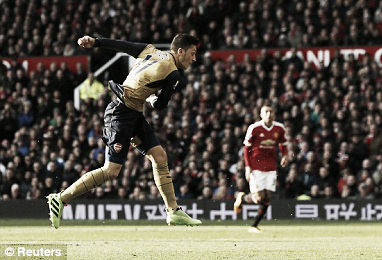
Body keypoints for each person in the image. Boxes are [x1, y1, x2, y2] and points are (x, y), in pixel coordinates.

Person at [46, 34, 202, 228]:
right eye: (192, 53)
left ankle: (173, 211)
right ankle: (60, 199)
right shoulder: (173, 73)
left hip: (131, 112)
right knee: (111, 171)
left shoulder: (150, 50)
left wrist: (96, 42)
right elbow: (161, 105)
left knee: (159, 157)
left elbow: (124, 45)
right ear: (180, 51)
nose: (194, 58)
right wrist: (152, 98)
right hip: (120, 114)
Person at [234, 105, 289, 233]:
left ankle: (254, 226)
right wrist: (248, 167)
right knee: (258, 197)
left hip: (271, 166)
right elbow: (246, 149)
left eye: (271, 111)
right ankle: (241, 197)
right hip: (256, 165)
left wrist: (285, 155)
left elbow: (283, 144)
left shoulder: (279, 128)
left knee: (267, 198)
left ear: (274, 114)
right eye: (266, 112)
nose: (269, 114)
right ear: (261, 114)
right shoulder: (254, 128)